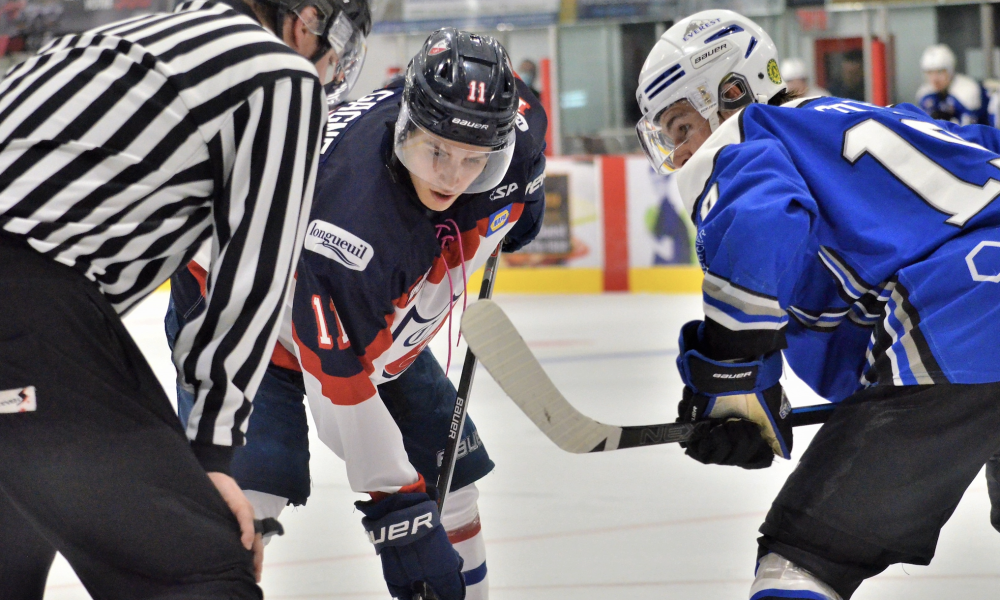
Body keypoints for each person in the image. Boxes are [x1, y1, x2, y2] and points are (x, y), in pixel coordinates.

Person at [0, 0, 368, 595]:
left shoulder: (116, 41)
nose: (328, 71)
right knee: (202, 570)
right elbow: (252, 274)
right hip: (26, 306)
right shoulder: (281, 75)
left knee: (11, 546)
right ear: (307, 21)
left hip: (31, 310)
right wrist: (213, 456)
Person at [167, 28, 548, 600]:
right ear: (407, 126)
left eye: (474, 160)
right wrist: (397, 508)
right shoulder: (351, 227)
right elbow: (338, 388)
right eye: (436, 151)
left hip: (369, 324)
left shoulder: (511, 131)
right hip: (245, 310)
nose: (450, 176)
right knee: (246, 499)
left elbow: (522, 122)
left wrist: (524, 208)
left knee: (452, 483)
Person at [635, 9, 1000, 600]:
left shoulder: (750, 135)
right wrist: (757, 397)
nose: (678, 153)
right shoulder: (885, 120)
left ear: (731, 94)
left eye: (680, 127)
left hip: (966, 322)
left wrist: (731, 377)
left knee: (803, 562)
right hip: (973, 323)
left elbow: (757, 223)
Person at [916, 43, 990, 125]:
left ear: (950, 71)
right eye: (929, 72)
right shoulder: (924, 93)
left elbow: (969, 128)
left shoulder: (968, 90)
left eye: (940, 72)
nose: (935, 79)